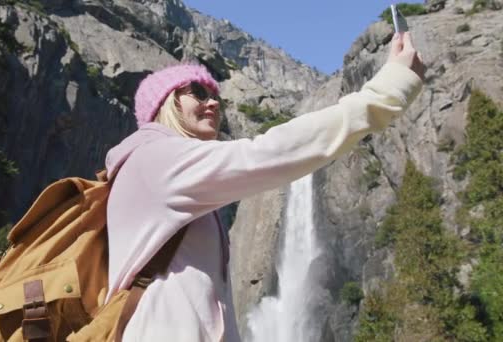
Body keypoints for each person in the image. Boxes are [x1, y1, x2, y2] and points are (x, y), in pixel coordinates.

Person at [104, 32, 425, 342]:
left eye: (216, 96)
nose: (213, 103)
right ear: (164, 104)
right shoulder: (155, 158)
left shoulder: (179, 183)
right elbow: (267, 152)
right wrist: (384, 92)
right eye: (198, 92)